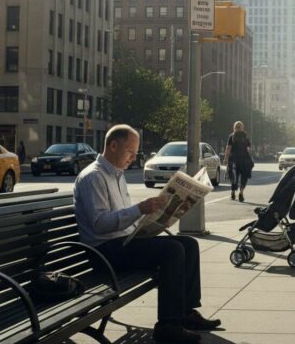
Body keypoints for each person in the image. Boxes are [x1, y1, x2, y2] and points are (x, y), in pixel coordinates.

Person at [74, 125, 221, 343]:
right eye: (130, 152)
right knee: (173, 251)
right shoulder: (93, 177)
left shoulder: (116, 174)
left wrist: (152, 224)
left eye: (135, 153)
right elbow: (100, 224)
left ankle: (186, 313)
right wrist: (140, 209)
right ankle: (168, 325)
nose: (133, 158)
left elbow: (122, 219)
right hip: (104, 252)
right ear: (113, 146)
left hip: (122, 243)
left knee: (189, 244)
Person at [225, 121, 254, 202]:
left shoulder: (231, 136)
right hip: (244, 160)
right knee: (244, 177)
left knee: (234, 177)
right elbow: (248, 149)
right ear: (242, 127)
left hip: (234, 160)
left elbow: (228, 148)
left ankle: (233, 192)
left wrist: (225, 159)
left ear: (234, 127)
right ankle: (241, 193)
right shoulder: (246, 136)